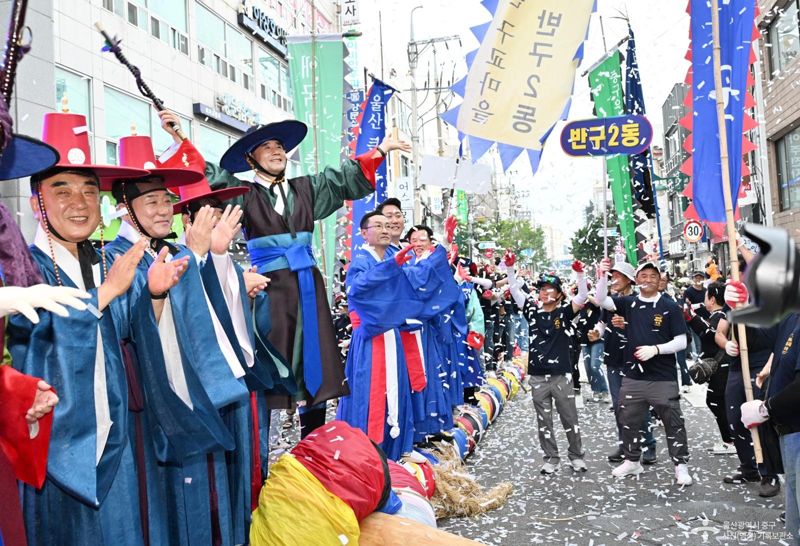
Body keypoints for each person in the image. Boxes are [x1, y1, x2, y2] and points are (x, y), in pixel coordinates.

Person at [8, 111, 186, 545]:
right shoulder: (18, 267)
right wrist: (103, 296)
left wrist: (155, 295)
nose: (80, 203)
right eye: (62, 190)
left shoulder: (107, 261)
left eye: (90, 191)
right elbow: (34, 344)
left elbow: (131, 336)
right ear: (36, 202)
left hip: (117, 429)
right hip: (59, 443)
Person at [212, 120, 411, 438]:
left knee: (313, 364)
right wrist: (179, 137)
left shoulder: (305, 188)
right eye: (267, 147)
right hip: (266, 289)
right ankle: (260, 449)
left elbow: (344, 179)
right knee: (266, 363)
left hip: (307, 285)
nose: (277, 151)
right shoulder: (244, 195)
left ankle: (313, 445)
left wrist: (381, 150)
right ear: (250, 159)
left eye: (279, 146)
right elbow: (210, 178)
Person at [336, 211, 425, 459]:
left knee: (398, 388)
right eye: (379, 225)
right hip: (371, 336)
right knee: (369, 392)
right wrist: (391, 266)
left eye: (388, 225)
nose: (386, 229)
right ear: (364, 233)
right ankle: (367, 452)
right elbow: (356, 288)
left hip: (392, 334)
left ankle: (399, 449)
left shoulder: (391, 257)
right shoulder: (361, 260)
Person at [596, 260, 693, 486]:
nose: (648, 280)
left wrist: (656, 350)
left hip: (663, 376)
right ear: (637, 280)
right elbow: (602, 300)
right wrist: (601, 274)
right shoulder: (628, 303)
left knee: (673, 421)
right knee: (627, 418)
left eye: (653, 276)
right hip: (633, 376)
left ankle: (680, 465)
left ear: (660, 281)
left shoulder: (670, 307)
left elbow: (682, 340)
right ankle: (632, 460)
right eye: (644, 276)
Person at [507, 257, 589, 474]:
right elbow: (515, 291)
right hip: (537, 375)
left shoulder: (564, 313)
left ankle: (576, 455)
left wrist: (580, 274)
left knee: (569, 417)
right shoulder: (531, 311)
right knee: (544, 420)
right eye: (543, 289)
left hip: (561, 374)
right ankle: (551, 458)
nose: (546, 293)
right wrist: (509, 268)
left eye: (552, 290)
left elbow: (582, 296)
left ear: (560, 295)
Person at [737, 306, 800, 543]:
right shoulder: (790, 318)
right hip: (788, 430)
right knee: (794, 516)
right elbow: (755, 340)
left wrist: (766, 408)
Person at [602, 261, 657, 465]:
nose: (614, 280)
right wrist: (595, 333)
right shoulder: (611, 301)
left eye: (618, 276)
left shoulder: (637, 301)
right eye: (612, 276)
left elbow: (645, 328)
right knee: (619, 406)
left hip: (633, 359)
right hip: (613, 358)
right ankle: (626, 445)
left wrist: (626, 325)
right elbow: (602, 323)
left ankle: (648, 443)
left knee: (637, 405)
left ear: (629, 280)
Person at [684, 282, 735, 455]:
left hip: (723, 366)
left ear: (712, 299)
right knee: (719, 402)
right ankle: (730, 439)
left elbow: (710, 337)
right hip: (722, 366)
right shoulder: (720, 314)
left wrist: (692, 318)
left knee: (716, 401)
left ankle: (730, 440)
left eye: (706, 296)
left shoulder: (720, 314)